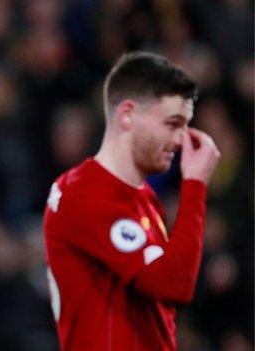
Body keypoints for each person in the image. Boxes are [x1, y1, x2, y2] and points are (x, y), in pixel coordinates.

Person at [42, 52, 221, 350]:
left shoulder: (144, 197)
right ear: (127, 114)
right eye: (172, 124)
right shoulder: (84, 193)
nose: (180, 141)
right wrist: (195, 184)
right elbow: (173, 285)